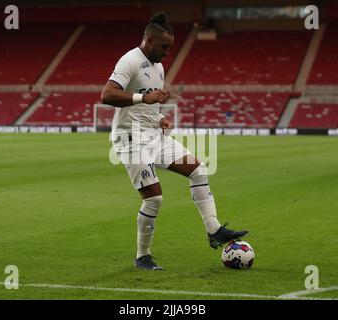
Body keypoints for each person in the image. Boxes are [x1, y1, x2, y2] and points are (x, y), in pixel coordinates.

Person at [101, 12, 248, 271]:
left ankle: (214, 230)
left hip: (153, 135)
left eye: (170, 47)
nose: (168, 52)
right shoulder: (130, 61)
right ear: (148, 39)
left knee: (198, 169)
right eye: (164, 46)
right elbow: (107, 94)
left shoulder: (158, 66)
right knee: (154, 199)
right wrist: (141, 98)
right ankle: (142, 256)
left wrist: (160, 119)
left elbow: (148, 104)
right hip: (131, 139)